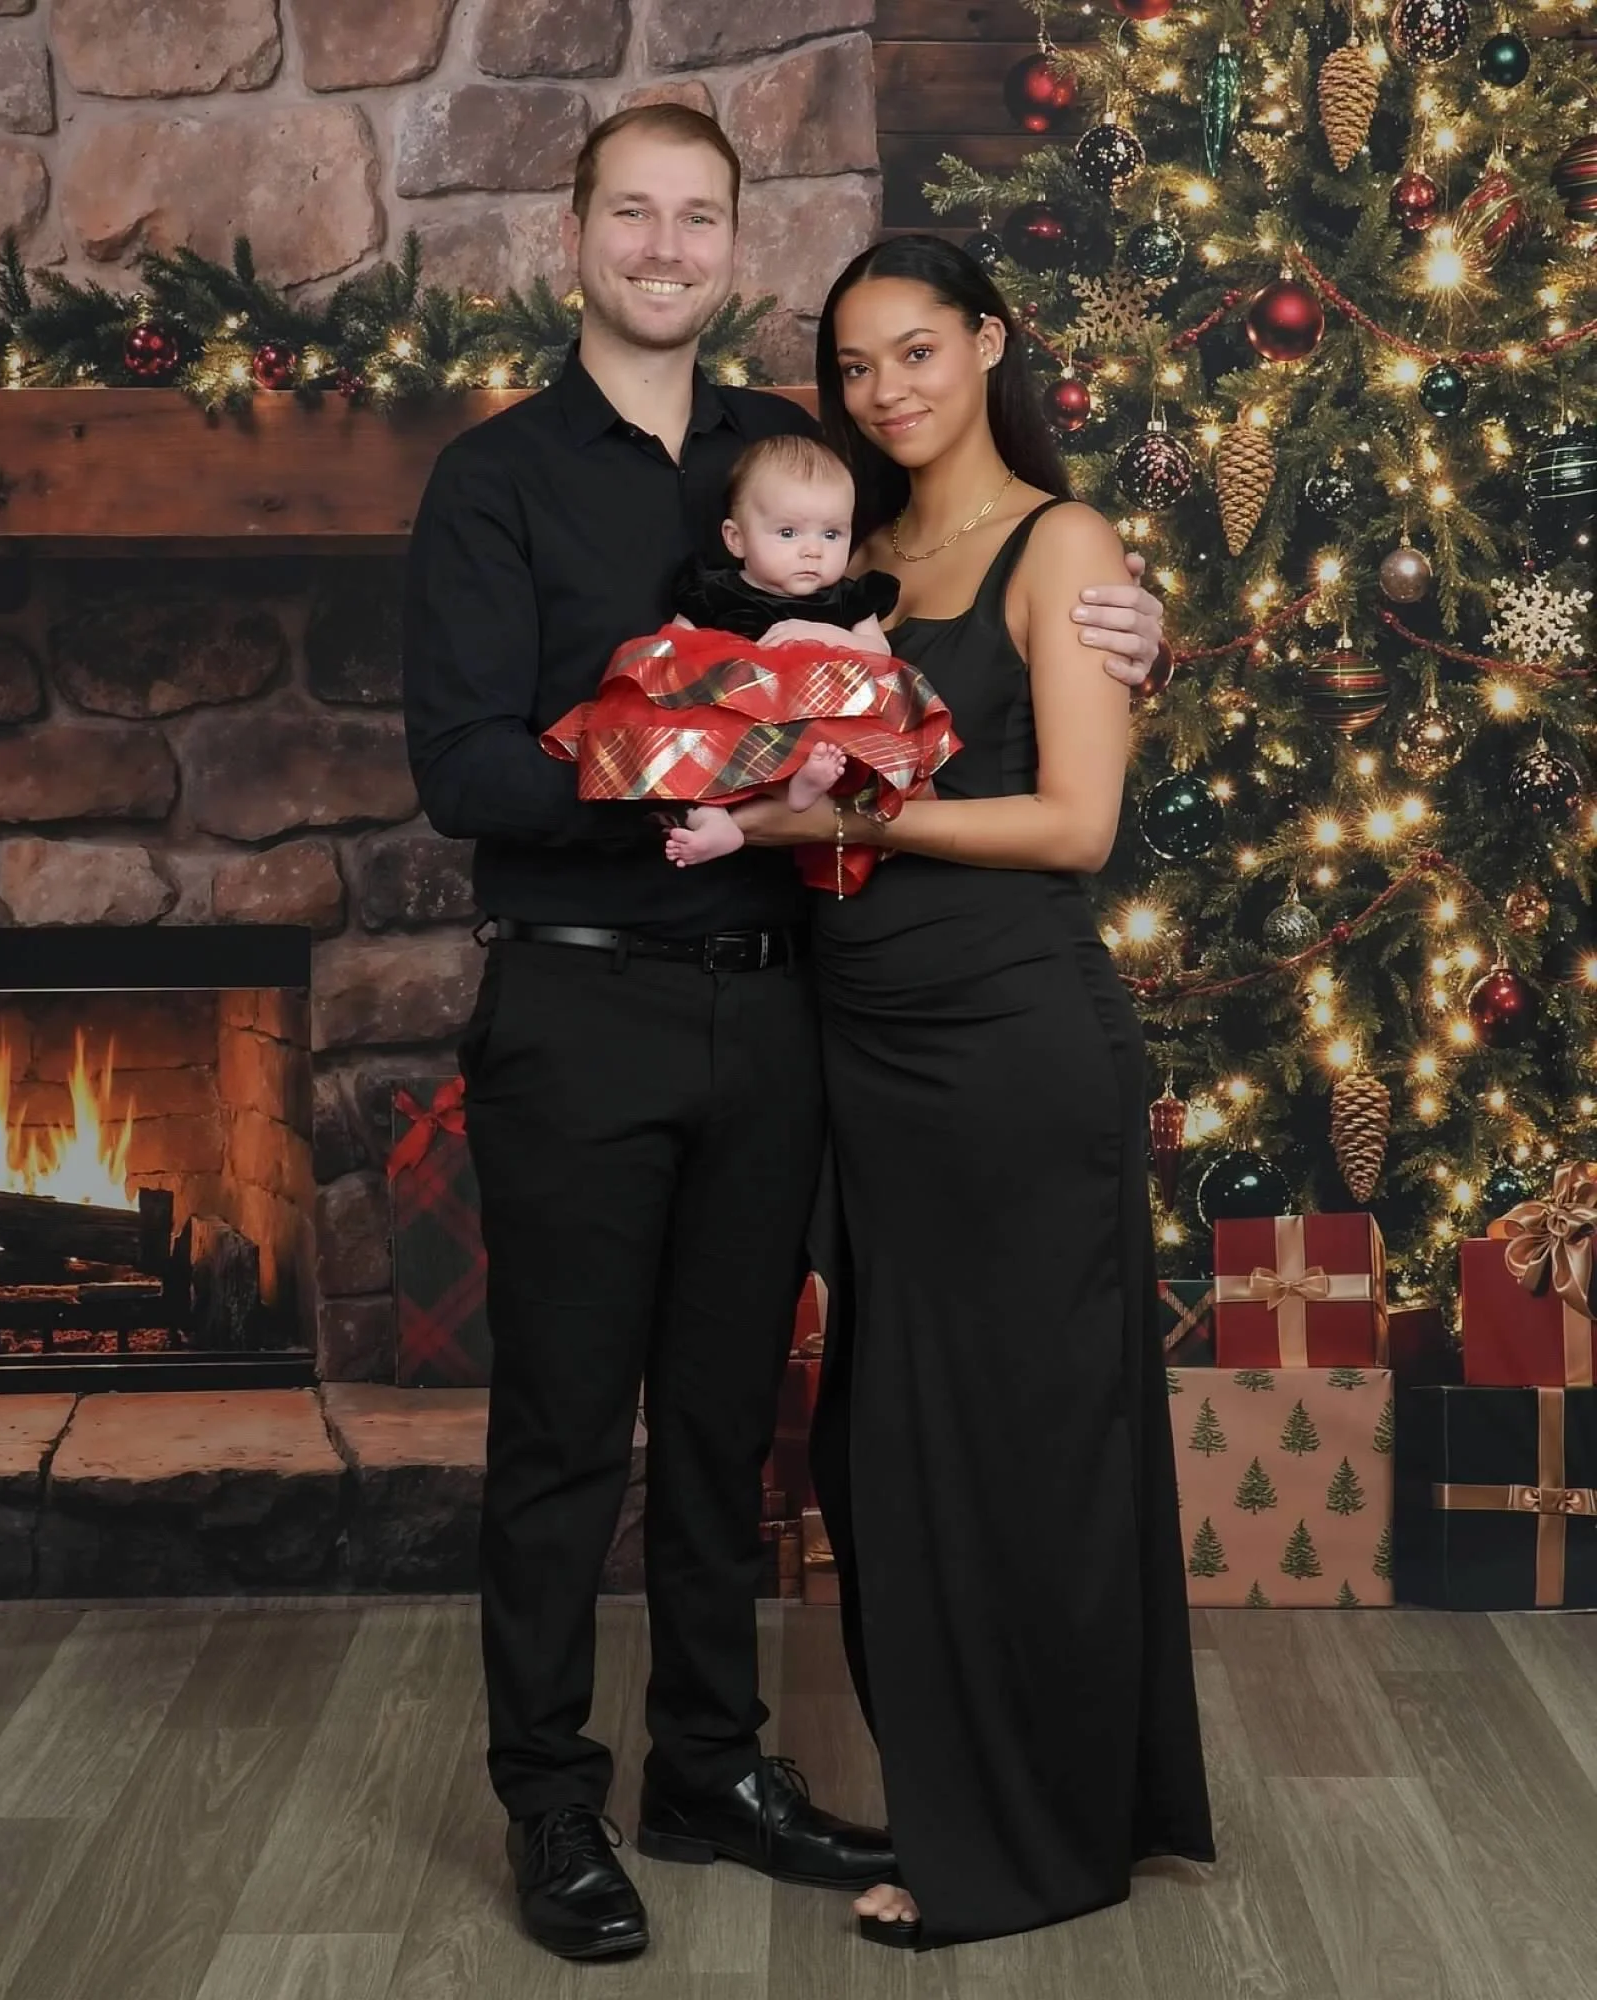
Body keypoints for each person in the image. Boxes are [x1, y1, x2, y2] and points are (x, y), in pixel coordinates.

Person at [402, 102, 1172, 1966]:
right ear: (574, 234)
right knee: (567, 1433)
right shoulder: (495, 480)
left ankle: (710, 1768)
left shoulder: (797, 460)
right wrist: (695, 767)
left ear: (734, 246)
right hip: (580, 1005)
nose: (666, 248)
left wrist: (1138, 618)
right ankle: (553, 1800)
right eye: (633, 217)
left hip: (780, 1023)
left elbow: (965, 618)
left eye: (699, 220)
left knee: (732, 1430)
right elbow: (465, 767)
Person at [730, 233, 1216, 1950]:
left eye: (919, 353)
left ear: (991, 344)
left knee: (1021, 1446)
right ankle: (1012, 1794)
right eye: (857, 367)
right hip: (863, 1049)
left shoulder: (1060, 542)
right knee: (892, 1454)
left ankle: (1029, 1846)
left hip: (1008, 1048)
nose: (887, 392)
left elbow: (1074, 826)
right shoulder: (842, 544)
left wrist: (834, 824)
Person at [541, 431, 955, 892]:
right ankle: (713, 817)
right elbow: (669, 649)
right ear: (736, 538)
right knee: (677, 748)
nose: (812, 550)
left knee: (841, 740)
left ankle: (799, 790)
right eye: (787, 533)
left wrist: (825, 635)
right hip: (731, 719)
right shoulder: (716, 593)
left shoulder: (847, 601)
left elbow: (880, 656)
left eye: (832, 533)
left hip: (809, 721)